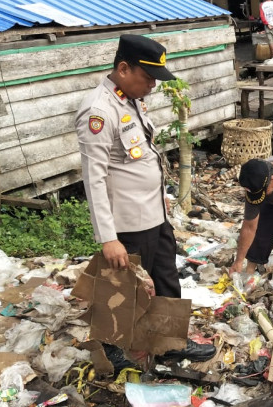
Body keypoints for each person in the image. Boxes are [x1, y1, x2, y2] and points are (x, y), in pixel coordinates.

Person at [75, 34, 214, 361]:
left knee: (166, 281)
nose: (152, 84)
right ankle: (112, 355)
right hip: (126, 223)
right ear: (123, 68)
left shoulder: (131, 99)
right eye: (147, 77)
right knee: (121, 292)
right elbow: (94, 179)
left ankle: (170, 345)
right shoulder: (98, 110)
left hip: (154, 215)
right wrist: (108, 238)